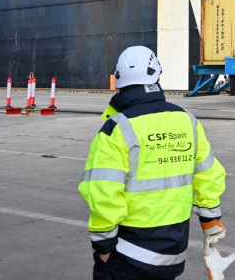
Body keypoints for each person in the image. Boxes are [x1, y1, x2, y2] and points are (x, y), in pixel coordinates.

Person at [80, 46, 227, 280]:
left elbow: (102, 192)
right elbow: (208, 174)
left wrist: (103, 247)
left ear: (117, 80)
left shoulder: (117, 128)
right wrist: (210, 221)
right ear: (157, 76)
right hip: (173, 252)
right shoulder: (186, 120)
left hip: (128, 252)